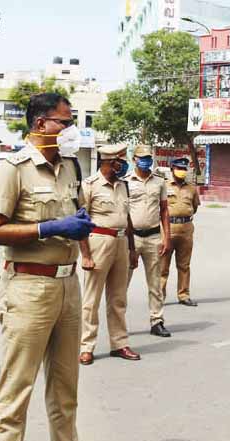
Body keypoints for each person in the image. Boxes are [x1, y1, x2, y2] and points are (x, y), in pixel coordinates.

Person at [0, 92, 113, 441]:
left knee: (65, 386)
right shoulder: (13, 169)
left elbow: (76, 211)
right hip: (28, 289)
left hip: (67, 286)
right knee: (15, 390)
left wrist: (79, 232)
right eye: (65, 121)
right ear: (41, 123)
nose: (72, 127)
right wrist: (47, 226)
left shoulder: (71, 167)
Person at [78, 143, 141, 365]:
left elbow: (128, 218)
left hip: (121, 242)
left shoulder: (124, 185)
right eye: (121, 161)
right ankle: (86, 346)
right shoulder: (89, 185)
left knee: (118, 298)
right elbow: (80, 221)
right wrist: (85, 254)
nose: (124, 165)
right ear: (109, 162)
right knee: (91, 299)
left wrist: (132, 249)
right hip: (98, 242)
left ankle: (120, 343)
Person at [127, 144, 172, 338]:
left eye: (148, 157)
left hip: (153, 237)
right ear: (134, 159)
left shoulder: (159, 182)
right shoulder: (125, 182)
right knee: (122, 283)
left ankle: (157, 321)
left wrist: (166, 237)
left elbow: (164, 210)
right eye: (142, 157)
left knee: (155, 283)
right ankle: (119, 324)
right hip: (132, 238)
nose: (146, 161)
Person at [160, 157, 200, 307]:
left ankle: (183, 295)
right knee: (163, 266)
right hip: (167, 230)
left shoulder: (191, 188)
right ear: (172, 169)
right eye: (179, 168)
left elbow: (195, 207)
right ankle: (160, 296)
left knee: (184, 265)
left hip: (186, 230)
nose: (182, 171)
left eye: (184, 169)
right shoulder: (163, 186)